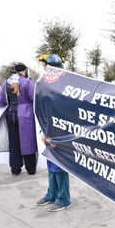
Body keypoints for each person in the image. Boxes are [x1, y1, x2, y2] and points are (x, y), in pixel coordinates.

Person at [36, 54, 72, 212]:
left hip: (60, 132)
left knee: (60, 166)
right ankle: (52, 193)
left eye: (47, 67)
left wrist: (59, 134)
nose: (45, 70)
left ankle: (63, 199)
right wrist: (44, 132)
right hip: (49, 130)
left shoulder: (65, 86)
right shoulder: (47, 84)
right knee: (51, 164)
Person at [0, 63, 38, 176]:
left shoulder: (6, 83)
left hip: (11, 115)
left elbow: (0, 101)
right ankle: (31, 168)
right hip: (26, 115)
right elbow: (34, 98)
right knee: (28, 141)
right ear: (24, 71)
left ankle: (15, 169)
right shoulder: (28, 82)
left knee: (14, 143)